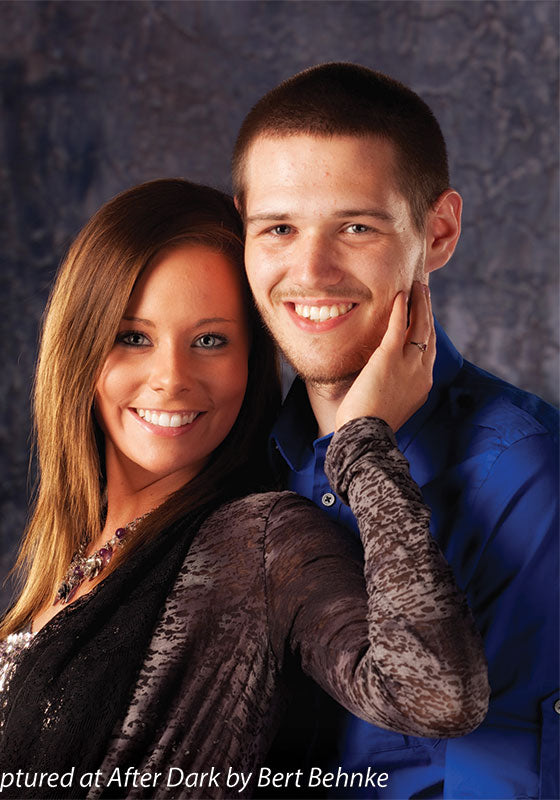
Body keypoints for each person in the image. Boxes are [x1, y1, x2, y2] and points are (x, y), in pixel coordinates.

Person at [0, 179, 487, 800]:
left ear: (251, 362)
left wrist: (363, 444)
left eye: (210, 341)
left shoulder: (258, 540)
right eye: (134, 337)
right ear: (80, 350)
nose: (171, 378)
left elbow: (436, 696)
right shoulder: (74, 558)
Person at [232, 63, 559, 799]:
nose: (311, 271)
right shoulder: (248, 454)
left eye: (356, 227)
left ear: (437, 232)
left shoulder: (525, 472)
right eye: (279, 229)